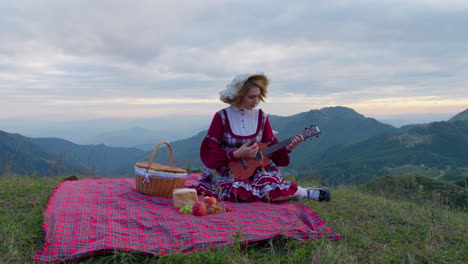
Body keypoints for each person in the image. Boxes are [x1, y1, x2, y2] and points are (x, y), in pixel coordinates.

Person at [193, 73, 330, 203]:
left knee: (271, 192)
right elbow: (209, 151)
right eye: (251, 97)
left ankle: (305, 192)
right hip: (228, 168)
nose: (256, 101)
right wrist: (235, 153)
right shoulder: (222, 116)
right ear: (239, 95)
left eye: (258, 96)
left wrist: (287, 148)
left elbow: (271, 147)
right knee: (237, 193)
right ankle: (301, 193)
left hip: (256, 169)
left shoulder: (261, 117)